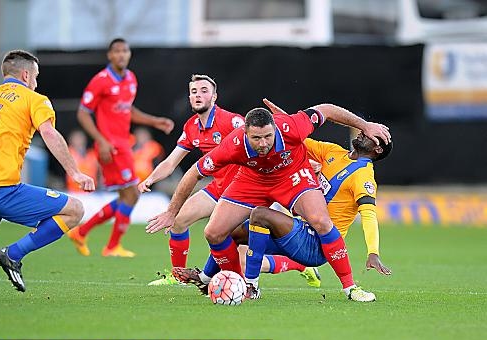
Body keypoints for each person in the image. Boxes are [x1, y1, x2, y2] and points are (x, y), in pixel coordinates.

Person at [146, 99, 390, 302]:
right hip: (252, 180)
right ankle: (237, 285)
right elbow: (194, 172)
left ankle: (350, 288)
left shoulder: (292, 128)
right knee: (214, 232)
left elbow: (325, 110)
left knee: (319, 220)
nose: (262, 143)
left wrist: (364, 124)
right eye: (256, 138)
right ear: (245, 133)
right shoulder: (233, 144)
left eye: (267, 136)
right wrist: (171, 212)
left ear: (275, 128)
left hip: (292, 177)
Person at [0, 50, 95, 301]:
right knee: (74, 209)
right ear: (25, 74)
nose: (36, 82)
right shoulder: (34, 99)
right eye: (35, 76)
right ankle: (13, 254)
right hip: (0, 188)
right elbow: (50, 134)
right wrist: (74, 172)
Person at [67, 38, 174, 258]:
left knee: (129, 196)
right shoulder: (101, 80)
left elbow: (129, 110)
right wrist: (101, 140)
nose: (121, 55)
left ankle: (82, 232)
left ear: (129, 54)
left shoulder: (130, 79)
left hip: (124, 144)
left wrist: (155, 121)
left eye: (124, 51)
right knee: (132, 194)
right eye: (116, 51)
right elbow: (82, 113)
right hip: (111, 147)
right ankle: (111, 246)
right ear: (110, 55)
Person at [138, 74, 246, 286]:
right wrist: (149, 179)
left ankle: (299, 265)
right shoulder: (191, 127)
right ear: (189, 97)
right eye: (194, 92)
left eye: (204, 91)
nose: (198, 95)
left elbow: (261, 141)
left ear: (214, 97)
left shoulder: (231, 121)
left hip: (243, 190)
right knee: (178, 221)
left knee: (242, 246)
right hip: (218, 188)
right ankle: (178, 277)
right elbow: (170, 163)